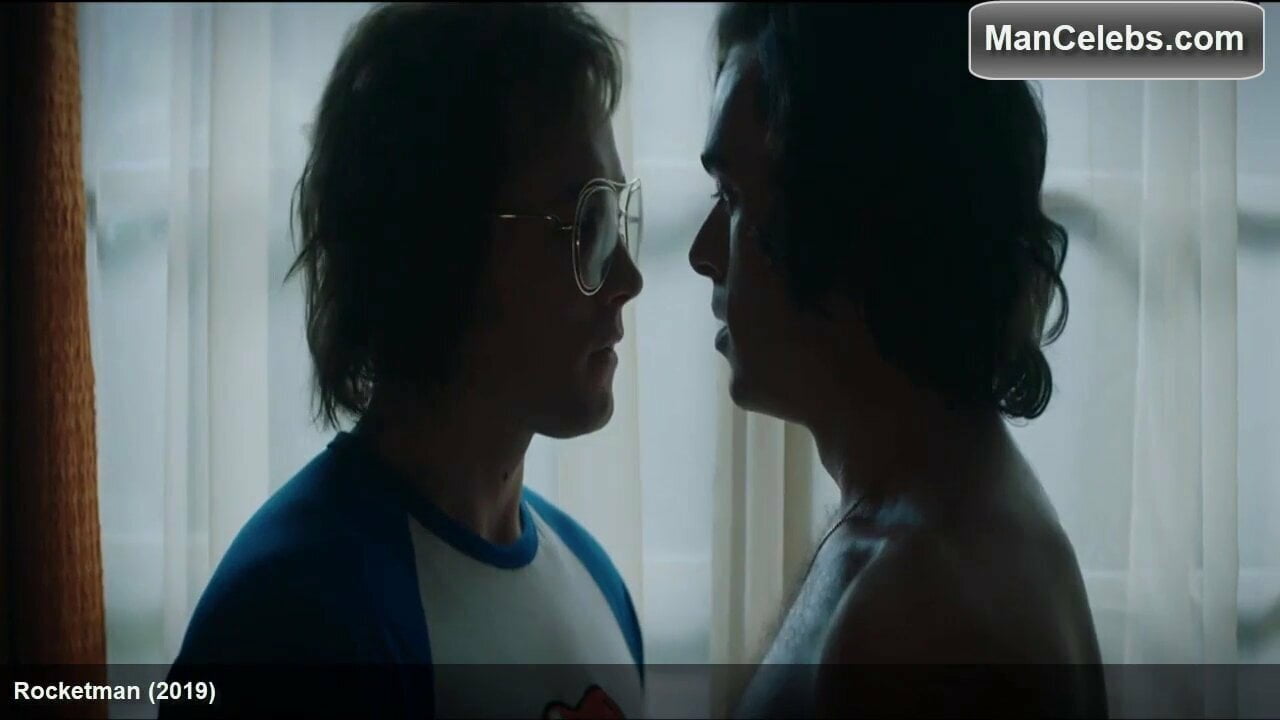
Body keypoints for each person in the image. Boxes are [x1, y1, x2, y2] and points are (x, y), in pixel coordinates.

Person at [163, 4, 644, 718]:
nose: (628, 278)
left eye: (617, 216)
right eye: (586, 225)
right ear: (438, 244)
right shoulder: (289, 620)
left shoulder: (598, 583)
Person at [689, 4, 1107, 718]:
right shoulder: (913, 511)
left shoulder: (919, 617)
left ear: (848, 221)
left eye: (731, 198)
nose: (703, 253)